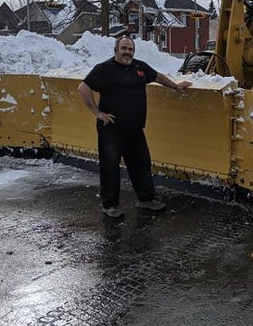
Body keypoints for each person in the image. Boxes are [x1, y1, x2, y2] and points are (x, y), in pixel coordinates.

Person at [77, 35, 192, 218]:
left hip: (135, 128)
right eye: (123, 49)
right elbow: (83, 88)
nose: (127, 52)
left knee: (141, 163)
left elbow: (157, 76)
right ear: (116, 51)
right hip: (112, 128)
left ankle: (145, 199)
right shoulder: (104, 70)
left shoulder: (139, 67)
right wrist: (98, 113)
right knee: (110, 167)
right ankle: (110, 205)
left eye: (130, 49)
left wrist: (175, 86)